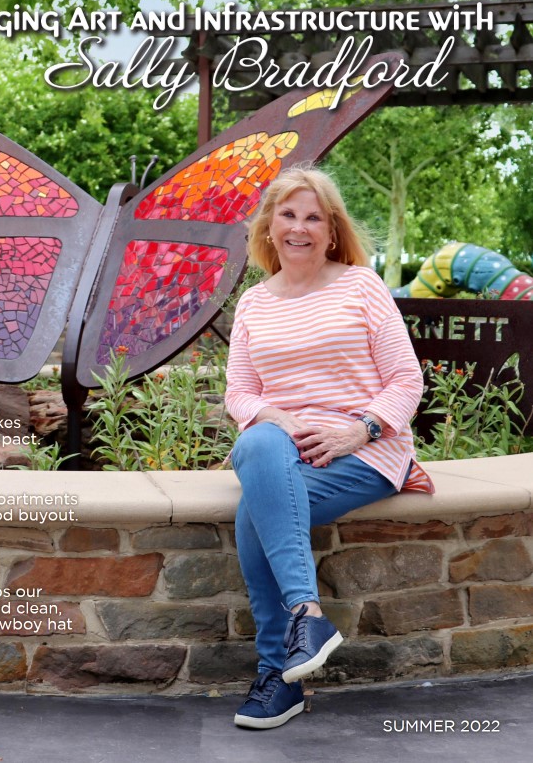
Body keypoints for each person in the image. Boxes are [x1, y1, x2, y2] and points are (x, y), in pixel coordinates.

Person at [225, 164, 434, 730]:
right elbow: (241, 394)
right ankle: (307, 615)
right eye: (288, 214)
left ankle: (276, 676)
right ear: (269, 226)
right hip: (285, 453)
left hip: (365, 451)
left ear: (331, 229)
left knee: (253, 515)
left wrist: (356, 431)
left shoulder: (359, 286)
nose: (300, 227)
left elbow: (406, 380)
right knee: (261, 441)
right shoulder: (254, 304)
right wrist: (277, 419)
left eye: (313, 217)